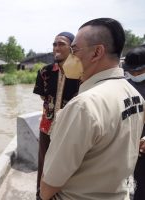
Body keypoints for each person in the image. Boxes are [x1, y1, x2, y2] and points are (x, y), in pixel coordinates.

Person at [40, 18, 145, 200]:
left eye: (74, 50)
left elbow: (51, 182)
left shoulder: (84, 106)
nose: (70, 57)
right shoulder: (134, 94)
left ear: (97, 52)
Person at [33, 32, 80, 200]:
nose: (56, 48)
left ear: (72, 48)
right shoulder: (44, 72)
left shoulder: (81, 72)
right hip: (47, 126)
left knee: (67, 165)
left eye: (61, 44)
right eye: (54, 44)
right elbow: (43, 97)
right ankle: (41, 195)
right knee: (44, 162)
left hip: (71, 128)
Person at [123, 46, 145, 200]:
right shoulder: (124, 85)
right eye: (132, 71)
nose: (135, 75)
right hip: (132, 144)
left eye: (139, 71)